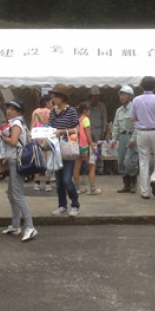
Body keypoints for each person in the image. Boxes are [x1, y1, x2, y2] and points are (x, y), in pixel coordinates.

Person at [0, 99, 37, 241]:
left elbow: (13, 142)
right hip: (14, 160)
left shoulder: (16, 123)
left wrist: (2, 136)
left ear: (19, 112)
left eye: (13, 109)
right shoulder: (16, 123)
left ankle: (30, 226)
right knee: (11, 194)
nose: (9, 111)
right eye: (8, 108)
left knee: (18, 195)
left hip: (16, 160)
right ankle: (15, 225)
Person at [129, 76, 155, 199]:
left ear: (141, 86)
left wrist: (143, 117)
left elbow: (133, 118)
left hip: (142, 131)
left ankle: (144, 192)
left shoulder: (136, 100)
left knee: (143, 161)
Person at [48, 83, 81, 216]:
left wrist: (62, 131)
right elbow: (50, 128)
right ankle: (62, 205)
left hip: (68, 149)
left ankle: (75, 204)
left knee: (67, 179)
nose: (53, 99)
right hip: (56, 149)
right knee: (59, 180)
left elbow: (78, 129)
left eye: (55, 96)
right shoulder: (52, 112)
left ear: (62, 97)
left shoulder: (71, 110)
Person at [110, 85, 139, 193]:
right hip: (122, 137)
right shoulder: (119, 111)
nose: (121, 97)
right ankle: (126, 185)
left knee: (129, 161)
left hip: (131, 136)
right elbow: (116, 126)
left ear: (130, 96)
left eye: (124, 94)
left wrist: (133, 139)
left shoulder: (134, 109)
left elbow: (137, 126)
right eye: (120, 94)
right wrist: (113, 139)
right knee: (121, 162)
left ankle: (134, 183)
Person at [74, 102, 100, 195]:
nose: (90, 112)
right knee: (92, 166)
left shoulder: (78, 119)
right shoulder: (86, 119)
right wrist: (92, 144)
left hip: (78, 146)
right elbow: (88, 133)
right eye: (89, 111)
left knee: (77, 167)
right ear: (85, 111)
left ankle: (77, 188)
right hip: (86, 146)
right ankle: (92, 188)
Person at [31, 95, 53, 192]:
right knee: (48, 161)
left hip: (36, 138)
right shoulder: (49, 112)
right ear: (47, 102)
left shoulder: (35, 112)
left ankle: (37, 183)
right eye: (51, 102)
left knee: (37, 161)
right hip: (47, 138)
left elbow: (32, 125)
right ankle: (47, 184)